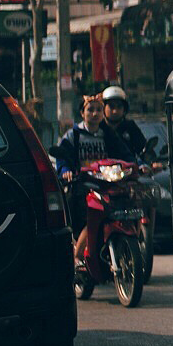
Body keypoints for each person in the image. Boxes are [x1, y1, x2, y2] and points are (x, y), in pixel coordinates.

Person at [52, 94, 136, 271]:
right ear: (82, 113)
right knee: (88, 219)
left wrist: (138, 166)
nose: (95, 113)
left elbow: (125, 154)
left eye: (98, 109)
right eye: (90, 110)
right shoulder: (73, 134)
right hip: (83, 185)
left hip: (106, 184)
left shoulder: (107, 134)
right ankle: (77, 257)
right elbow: (62, 157)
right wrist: (65, 170)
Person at [100, 85, 155, 166]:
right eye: (111, 106)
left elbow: (142, 148)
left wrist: (152, 162)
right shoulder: (98, 127)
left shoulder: (130, 126)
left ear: (124, 109)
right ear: (103, 108)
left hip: (128, 171)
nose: (115, 111)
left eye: (119, 106)